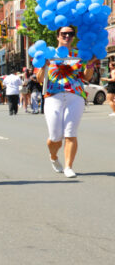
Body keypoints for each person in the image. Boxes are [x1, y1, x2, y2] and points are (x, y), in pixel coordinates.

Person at [37, 25, 95, 178]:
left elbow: (87, 77)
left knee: (70, 133)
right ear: (58, 36)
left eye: (70, 34)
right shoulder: (49, 53)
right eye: (64, 34)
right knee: (55, 137)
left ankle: (69, 166)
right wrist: (44, 65)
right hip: (53, 96)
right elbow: (39, 79)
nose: (67, 36)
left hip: (75, 96)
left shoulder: (79, 54)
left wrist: (90, 64)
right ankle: (53, 156)